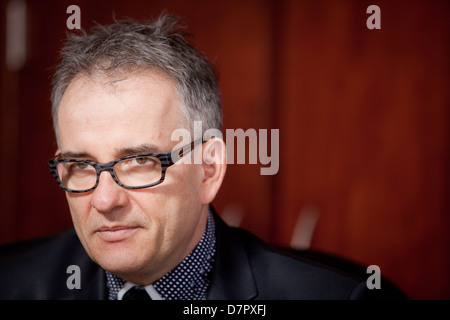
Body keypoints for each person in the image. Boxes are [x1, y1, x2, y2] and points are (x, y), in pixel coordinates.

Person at [0, 14, 406, 300]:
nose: (105, 201)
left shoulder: (342, 297)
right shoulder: (9, 281)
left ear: (209, 169)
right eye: (82, 166)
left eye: (140, 162)